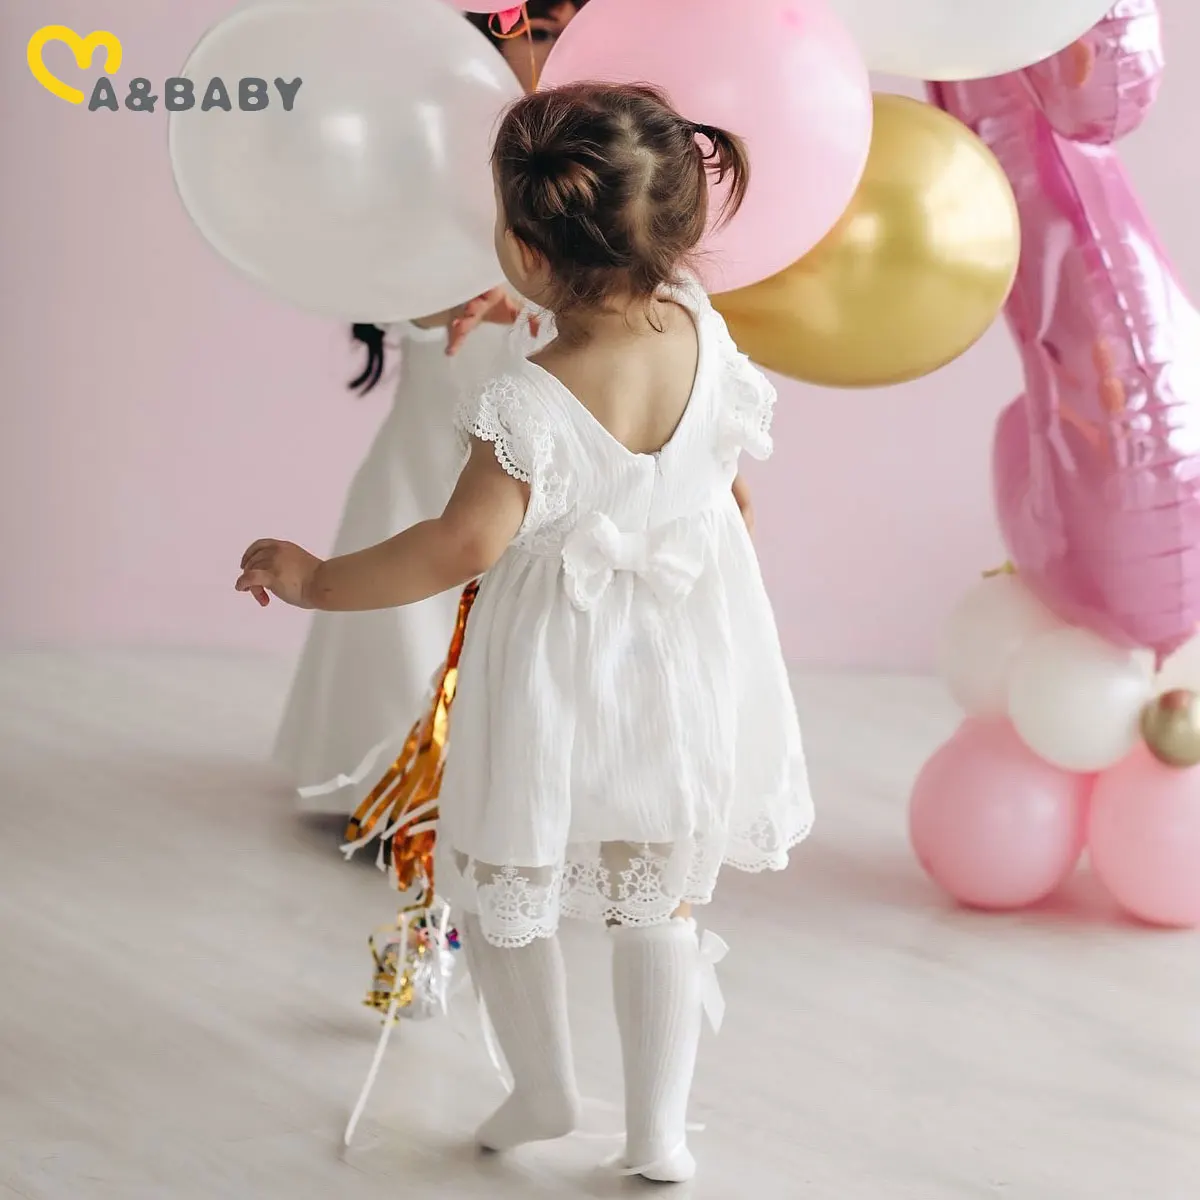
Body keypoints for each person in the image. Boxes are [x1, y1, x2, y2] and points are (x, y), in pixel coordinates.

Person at [236, 82, 812, 1183]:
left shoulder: (532, 403)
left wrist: (317, 579)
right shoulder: (699, 326)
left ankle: (542, 1086)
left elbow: (460, 545)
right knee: (658, 889)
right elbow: (728, 480)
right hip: (683, 646)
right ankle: (658, 1133)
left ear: (527, 252)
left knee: (509, 869)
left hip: (558, 659)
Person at [272, 1, 589, 814]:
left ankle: (527, 793)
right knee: (417, 580)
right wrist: (485, 287)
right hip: (440, 429)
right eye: (536, 32)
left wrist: (536, 291)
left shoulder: (602, 157)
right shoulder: (431, 137)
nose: (553, 51)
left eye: (564, 29)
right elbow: (403, 291)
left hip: (551, 437)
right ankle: (396, 783)